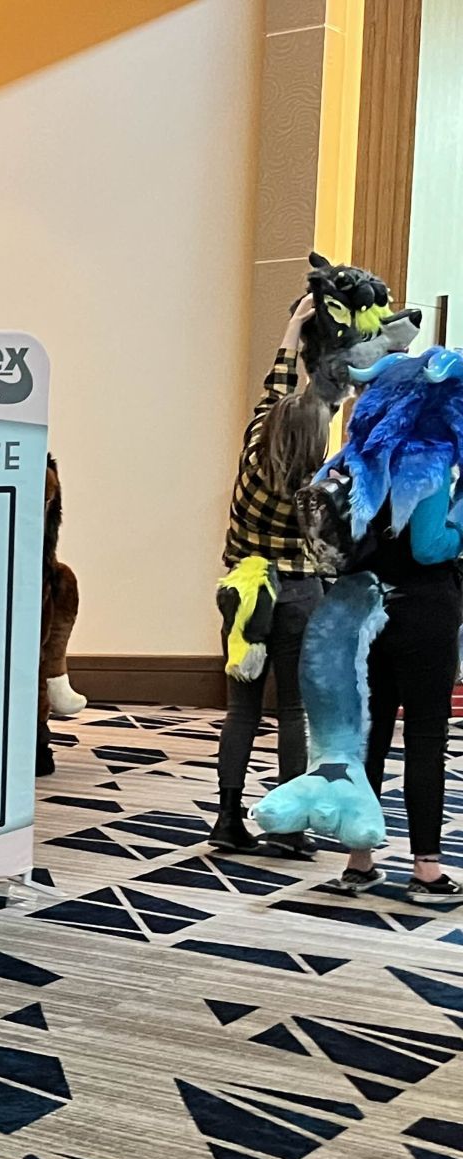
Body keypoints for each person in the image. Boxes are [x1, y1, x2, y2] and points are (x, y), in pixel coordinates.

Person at [212, 294, 333, 856]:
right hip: (300, 595)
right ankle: (287, 826)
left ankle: (227, 818)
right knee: (293, 711)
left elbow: (275, 390)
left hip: (245, 593)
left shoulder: (254, 452)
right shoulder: (321, 485)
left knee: (241, 710)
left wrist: (293, 328)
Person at [323, 489, 463, 903]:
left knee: (370, 734)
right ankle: (426, 869)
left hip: (364, 603)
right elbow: (427, 546)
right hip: (423, 606)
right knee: (425, 737)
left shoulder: (363, 456)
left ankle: (359, 859)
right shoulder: (427, 465)